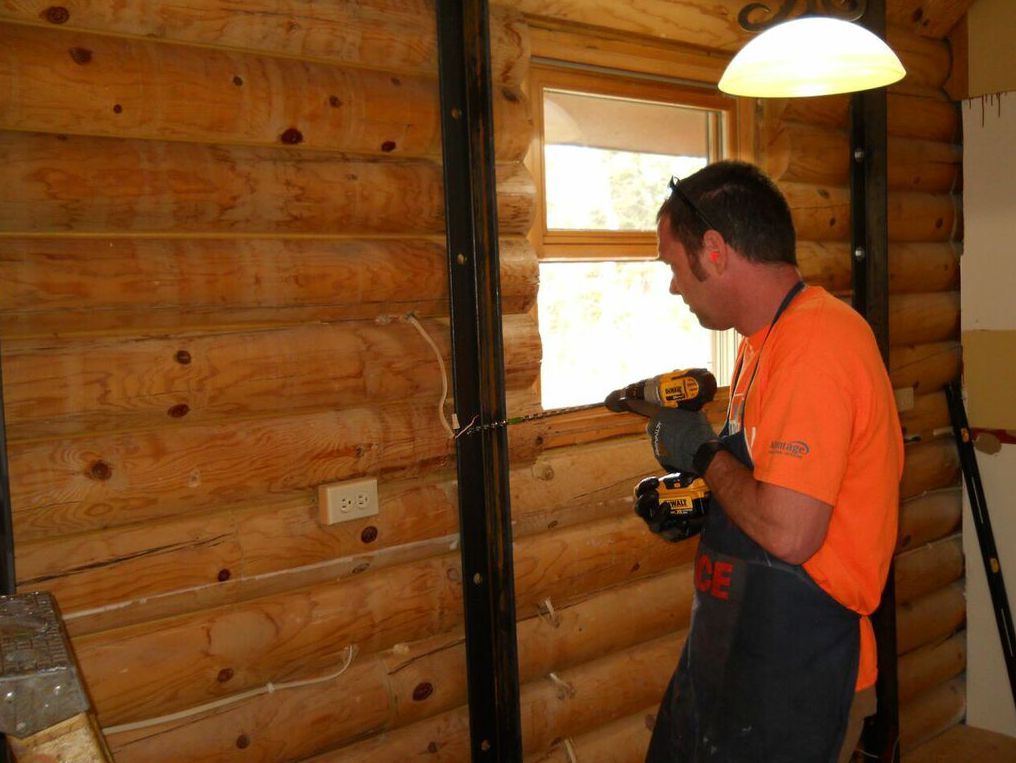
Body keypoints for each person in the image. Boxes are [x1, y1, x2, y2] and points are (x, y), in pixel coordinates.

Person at [633, 161, 904, 762]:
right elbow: (775, 488)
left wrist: (703, 452)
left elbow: (790, 531)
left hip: (801, 669)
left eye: (673, 265)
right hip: (744, 652)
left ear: (715, 249)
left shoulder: (815, 346)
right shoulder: (765, 342)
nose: (675, 285)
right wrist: (706, 505)